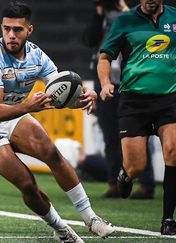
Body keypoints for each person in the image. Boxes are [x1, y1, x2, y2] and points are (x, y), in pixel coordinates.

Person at [0, 2, 114, 242]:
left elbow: (61, 92)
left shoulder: (37, 56)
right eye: (7, 29)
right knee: (27, 183)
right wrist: (29, 107)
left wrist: (83, 97)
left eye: (18, 30)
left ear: (29, 30)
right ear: (1, 28)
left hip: (15, 114)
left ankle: (91, 218)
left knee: (52, 153)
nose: (11, 35)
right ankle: (61, 229)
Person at [97, 0, 176, 235]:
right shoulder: (124, 21)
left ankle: (168, 219)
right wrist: (105, 84)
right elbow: (104, 57)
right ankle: (126, 174)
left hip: (169, 98)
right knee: (137, 166)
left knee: (173, 151)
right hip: (134, 101)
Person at [82, 0, 156, 199]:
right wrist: (98, 12)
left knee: (140, 133)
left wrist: (123, 8)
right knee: (110, 134)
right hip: (106, 82)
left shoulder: (134, 13)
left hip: (132, 81)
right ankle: (115, 182)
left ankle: (146, 184)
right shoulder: (101, 16)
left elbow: (147, 33)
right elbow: (89, 39)